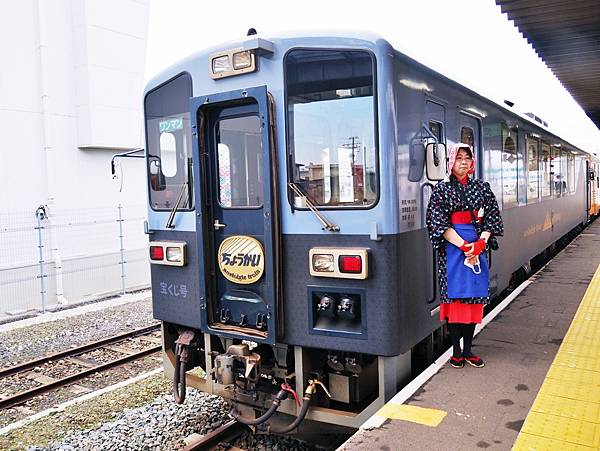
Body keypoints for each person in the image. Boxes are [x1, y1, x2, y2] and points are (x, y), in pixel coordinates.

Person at [426, 143, 504, 368]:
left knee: (473, 299)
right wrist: (465, 246)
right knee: (455, 299)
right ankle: (456, 351)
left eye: (467, 158)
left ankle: (468, 350)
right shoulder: (441, 190)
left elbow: (492, 216)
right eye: (458, 157)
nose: (463, 161)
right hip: (452, 249)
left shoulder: (482, 187)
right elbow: (437, 222)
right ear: (451, 162)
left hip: (477, 246)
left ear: (472, 162)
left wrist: (481, 243)